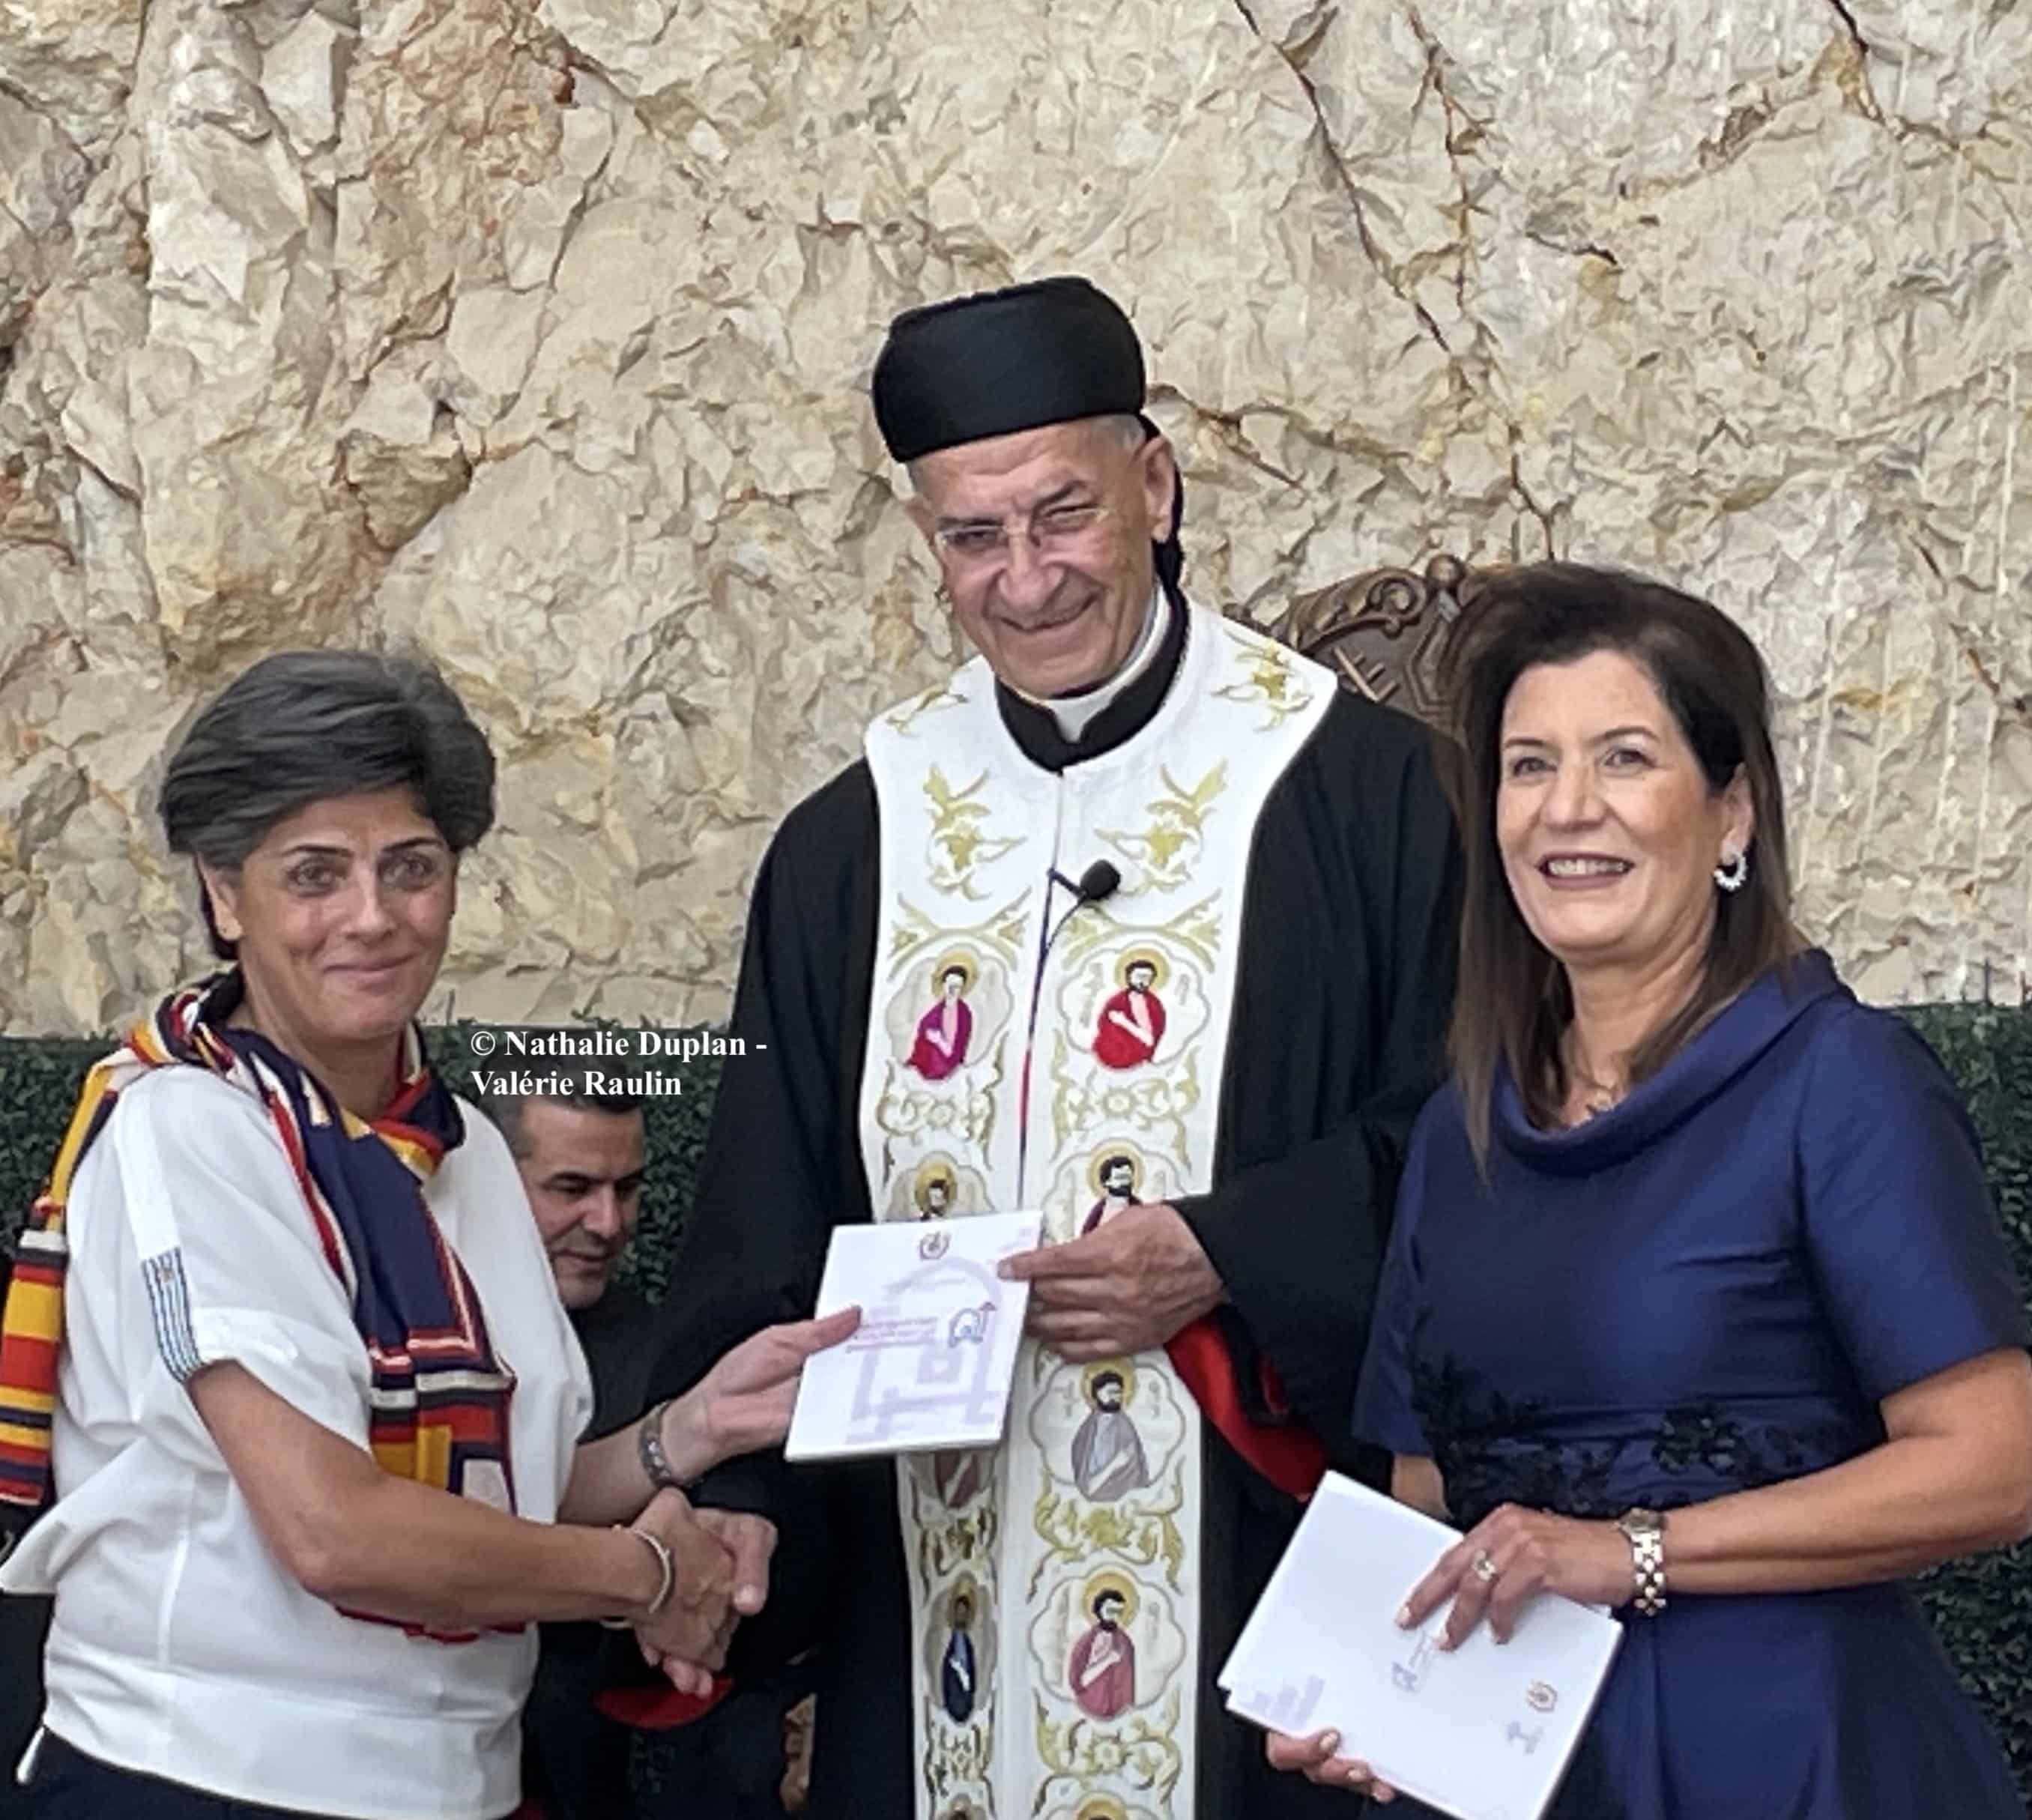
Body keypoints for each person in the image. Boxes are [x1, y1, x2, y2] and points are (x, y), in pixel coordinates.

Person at [649, 276, 1463, 1820]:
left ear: (1153, 487)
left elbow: (1467, 1136)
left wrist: (1227, 1249)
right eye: (973, 535)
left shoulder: (1367, 795)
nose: (1024, 580)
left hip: (1255, 1571)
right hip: (934, 1591)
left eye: (1062, 514)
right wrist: (732, 1508)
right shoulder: (854, 843)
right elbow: (764, 1236)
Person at [0, 652, 853, 1820]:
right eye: (315, 873)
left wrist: (688, 1432)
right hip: (204, 1783)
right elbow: (335, 1528)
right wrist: (646, 1574)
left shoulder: (467, 1154)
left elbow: (504, 1500)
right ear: (222, 893)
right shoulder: (186, 1130)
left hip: (453, 1787)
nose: (373, 916)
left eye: (412, 866)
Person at [1266, 564, 2032, 1815]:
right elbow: (1421, 1494)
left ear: (1728, 813)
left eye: (1623, 757)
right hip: (1523, 1763)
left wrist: (1627, 1553)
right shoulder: (1460, 1131)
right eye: (1526, 765)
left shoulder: (1838, 1082)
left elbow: (1992, 1465)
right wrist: (1371, 1689)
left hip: (1786, 1755)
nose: (1567, 809)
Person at [482, 1077, 813, 1820]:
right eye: (571, 1187)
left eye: (627, 1188)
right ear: (488, 1182)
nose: (606, 1222)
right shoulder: (413, 1335)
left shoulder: (675, 1347)